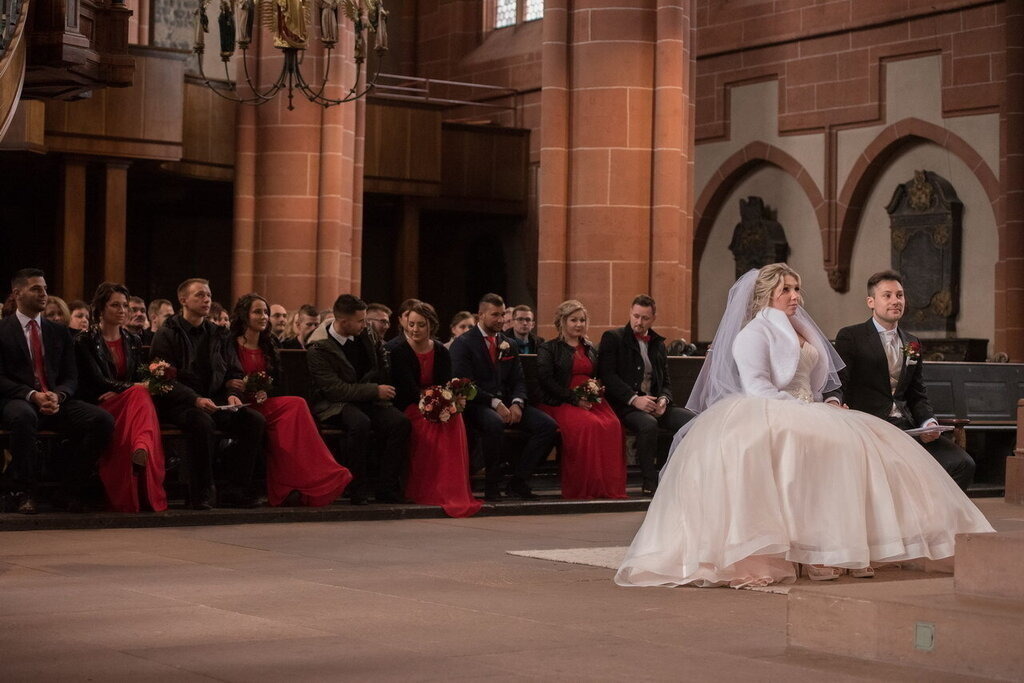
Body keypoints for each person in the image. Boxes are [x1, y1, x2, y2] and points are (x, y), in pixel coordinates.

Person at [614, 264, 994, 589]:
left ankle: (844, 546)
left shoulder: (800, 330)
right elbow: (758, 386)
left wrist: (827, 400)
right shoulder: (753, 333)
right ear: (767, 295)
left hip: (805, 405)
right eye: (787, 290)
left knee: (858, 447)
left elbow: (814, 380)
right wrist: (800, 408)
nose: (796, 295)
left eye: (797, 289)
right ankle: (811, 550)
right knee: (810, 446)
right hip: (766, 408)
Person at [827, 270, 976, 491]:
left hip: (907, 428)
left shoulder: (912, 343)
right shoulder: (851, 336)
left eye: (900, 295)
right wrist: (833, 402)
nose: (896, 301)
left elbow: (917, 394)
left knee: (963, 464)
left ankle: (934, 519)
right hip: (870, 427)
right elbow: (840, 381)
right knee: (899, 469)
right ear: (871, 301)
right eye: (887, 295)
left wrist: (929, 424)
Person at [0, 269, 114, 514]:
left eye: (44, 288)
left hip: (54, 398)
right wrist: (33, 395)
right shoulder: (3, 330)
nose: (43, 293)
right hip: (17, 398)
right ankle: (23, 492)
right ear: (17, 293)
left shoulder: (57, 331)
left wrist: (58, 395)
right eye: (36, 288)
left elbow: (71, 376)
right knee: (23, 417)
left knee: (101, 420)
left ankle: (68, 489)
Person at [150, 278, 266, 509]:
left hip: (215, 400)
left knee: (254, 420)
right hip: (180, 403)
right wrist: (194, 398)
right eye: (200, 295)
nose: (206, 300)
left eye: (209, 296)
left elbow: (234, 370)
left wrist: (233, 394)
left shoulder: (219, 333)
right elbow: (162, 378)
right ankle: (201, 491)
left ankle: (235, 488)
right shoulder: (167, 333)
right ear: (183, 300)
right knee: (201, 423)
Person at [229, 294, 352, 507]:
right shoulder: (230, 343)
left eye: (265, 312)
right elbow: (224, 376)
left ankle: (317, 475)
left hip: (262, 403)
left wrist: (266, 391)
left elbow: (277, 382)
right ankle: (288, 484)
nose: (264, 316)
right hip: (237, 404)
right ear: (244, 315)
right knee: (282, 415)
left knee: (297, 404)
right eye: (258, 312)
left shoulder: (269, 343)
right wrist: (235, 386)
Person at [451, 293, 558, 501]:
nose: (501, 319)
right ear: (480, 315)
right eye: (495, 315)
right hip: (477, 403)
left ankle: (518, 480)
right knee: (494, 424)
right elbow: (463, 384)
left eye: (502, 314)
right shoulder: (463, 343)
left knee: (547, 426)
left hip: (508, 402)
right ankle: (492, 484)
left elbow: (519, 378)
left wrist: (518, 402)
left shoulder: (508, 343)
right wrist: (495, 402)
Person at [307, 294, 410, 504]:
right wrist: (374, 391)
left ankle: (386, 487)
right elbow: (335, 390)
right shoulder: (318, 347)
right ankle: (356, 488)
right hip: (335, 404)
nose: (366, 324)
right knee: (360, 423)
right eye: (361, 320)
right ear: (344, 322)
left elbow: (380, 365)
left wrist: (377, 388)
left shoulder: (366, 334)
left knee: (400, 423)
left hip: (367, 398)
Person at [75, 282, 168, 512]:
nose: (122, 310)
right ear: (101, 308)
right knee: (139, 392)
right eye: (115, 305)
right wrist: (126, 389)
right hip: (100, 404)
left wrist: (127, 389)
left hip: (128, 402)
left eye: (125, 305)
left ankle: (140, 447)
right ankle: (143, 447)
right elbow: (95, 380)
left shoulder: (133, 340)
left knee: (140, 393)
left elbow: (138, 376)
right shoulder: (85, 340)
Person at [390, 302, 482, 517]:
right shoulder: (397, 350)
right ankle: (429, 487)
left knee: (454, 419)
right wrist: (430, 402)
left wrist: (449, 401)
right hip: (411, 405)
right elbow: (406, 388)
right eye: (411, 324)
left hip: (436, 399)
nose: (414, 329)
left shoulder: (440, 349)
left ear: (431, 325)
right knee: (431, 423)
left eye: (421, 325)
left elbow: (444, 382)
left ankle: (450, 488)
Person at [598, 295, 694, 495]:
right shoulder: (613, 338)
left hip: (655, 404)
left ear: (653, 318)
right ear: (630, 314)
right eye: (636, 316)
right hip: (626, 405)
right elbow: (607, 376)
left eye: (645, 318)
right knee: (648, 424)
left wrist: (664, 400)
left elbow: (666, 381)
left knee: (693, 421)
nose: (639, 322)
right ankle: (650, 481)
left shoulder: (657, 343)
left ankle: (672, 475)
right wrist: (634, 399)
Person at [537, 300, 626, 500]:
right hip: (560, 400)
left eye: (582, 320)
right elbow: (546, 380)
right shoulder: (549, 348)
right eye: (573, 320)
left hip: (591, 398)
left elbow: (597, 374)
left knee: (613, 425)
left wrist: (596, 390)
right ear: (562, 321)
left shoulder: (590, 348)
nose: (579, 324)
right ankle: (584, 487)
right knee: (589, 425)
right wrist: (574, 398)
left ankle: (605, 485)